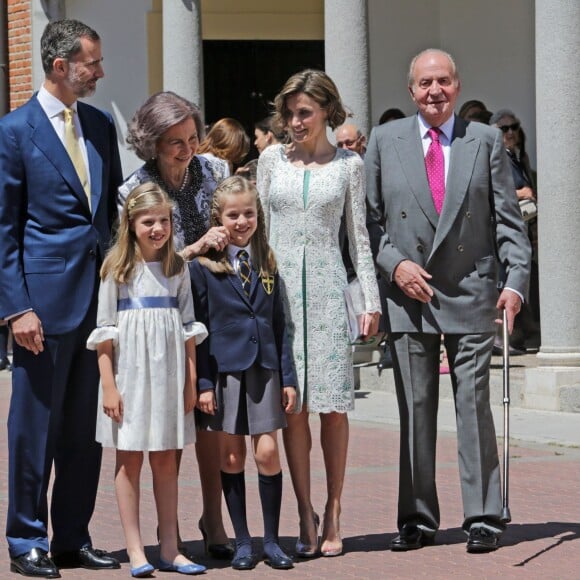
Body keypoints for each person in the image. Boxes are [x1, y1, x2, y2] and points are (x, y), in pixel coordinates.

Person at [365, 48, 531, 554]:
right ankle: (416, 517)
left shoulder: (484, 141)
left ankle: (483, 515)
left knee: (474, 405)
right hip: (408, 294)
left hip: (472, 290)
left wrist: (515, 280)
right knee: (414, 410)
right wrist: (395, 264)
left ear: (457, 86)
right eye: (424, 83)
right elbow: (368, 221)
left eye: (442, 81)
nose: (433, 91)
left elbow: (508, 220)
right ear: (410, 90)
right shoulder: (383, 139)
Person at [0, 19, 123, 578]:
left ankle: (72, 536)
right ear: (59, 65)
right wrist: (16, 308)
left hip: (97, 303)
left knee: (83, 431)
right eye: (91, 63)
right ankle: (26, 538)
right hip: (41, 310)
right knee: (34, 430)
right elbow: (4, 227)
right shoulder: (14, 131)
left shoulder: (98, 124)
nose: (99, 72)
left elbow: (111, 217)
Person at [257, 69, 381, 558]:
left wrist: (369, 300)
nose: (293, 122)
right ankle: (304, 510)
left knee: (332, 407)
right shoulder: (271, 160)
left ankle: (333, 508)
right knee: (294, 407)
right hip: (280, 294)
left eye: (303, 112)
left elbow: (360, 238)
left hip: (329, 291)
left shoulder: (348, 165)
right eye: (288, 113)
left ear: (328, 111)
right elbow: (258, 230)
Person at [120, 91, 234, 559]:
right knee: (175, 427)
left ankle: (214, 518)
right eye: (175, 142)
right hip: (164, 318)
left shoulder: (217, 173)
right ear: (151, 144)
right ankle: (167, 535)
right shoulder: (134, 190)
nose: (188, 149)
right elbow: (138, 265)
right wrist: (196, 249)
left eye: (192, 138)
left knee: (214, 420)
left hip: (219, 307)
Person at [87, 183, 208, 577]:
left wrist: (191, 381)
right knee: (129, 461)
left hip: (169, 375)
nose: (158, 228)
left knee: (167, 462)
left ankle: (170, 547)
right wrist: (109, 385)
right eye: (149, 221)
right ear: (131, 223)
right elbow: (104, 333)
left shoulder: (177, 267)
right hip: (130, 377)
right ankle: (136, 550)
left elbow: (189, 329)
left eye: (165, 221)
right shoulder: (117, 269)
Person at [191, 176, 297, 571]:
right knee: (232, 455)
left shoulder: (266, 260)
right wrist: (203, 383)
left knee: (267, 453)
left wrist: (288, 378)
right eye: (233, 215)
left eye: (248, 213)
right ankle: (242, 542)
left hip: (265, 370)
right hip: (225, 372)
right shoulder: (204, 268)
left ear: (258, 215)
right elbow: (198, 330)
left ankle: (271, 540)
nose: (241, 221)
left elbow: (280, 323)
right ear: (218, 218)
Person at [489, 109, 540, 353]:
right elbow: (492, 191)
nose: (510, 132)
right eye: (504, 128)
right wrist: (523, 193)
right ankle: (502, 339)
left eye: (514, 127)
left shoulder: (518, 156)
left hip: (521, 228)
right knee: (504, 281)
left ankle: (517, 337)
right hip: (499, 231)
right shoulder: (494, 155)